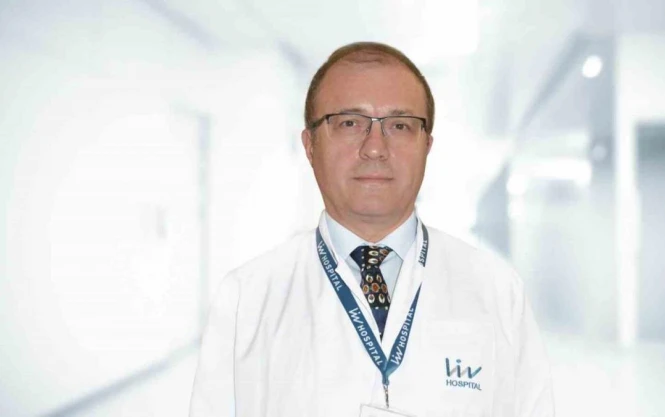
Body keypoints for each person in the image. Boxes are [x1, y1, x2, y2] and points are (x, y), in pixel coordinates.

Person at [189, 42, 554, 417]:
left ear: (427, 146)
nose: (375, 148)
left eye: (400, 126)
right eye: (350, 123)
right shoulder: (247, 297)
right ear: (310, 145)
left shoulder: (497, 290)